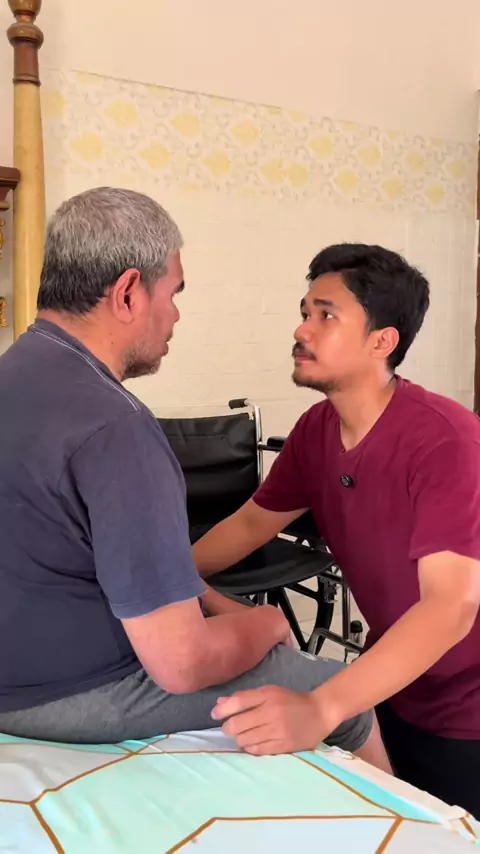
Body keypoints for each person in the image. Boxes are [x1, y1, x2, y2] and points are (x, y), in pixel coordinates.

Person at [0, 189, 389, 771]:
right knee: (341, 694)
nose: (177, 315)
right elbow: (180, 662)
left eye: (324, 315)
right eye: (174, 293)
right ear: (128, 292)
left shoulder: (15, 375)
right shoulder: (117, 427)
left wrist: (207, 594)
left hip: (21, 665)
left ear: (383, 342)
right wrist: (266, 621)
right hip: (64, 693)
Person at [194, 243, 480, 817]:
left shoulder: (446, 439)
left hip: (468, 707)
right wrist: (165, 575)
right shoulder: (316, 430)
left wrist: (322, 708)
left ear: (382, 341)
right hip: (391, 682)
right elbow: (251, 523)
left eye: (326, 316)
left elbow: (451, 606)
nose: (302, 330)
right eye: (305, 312)